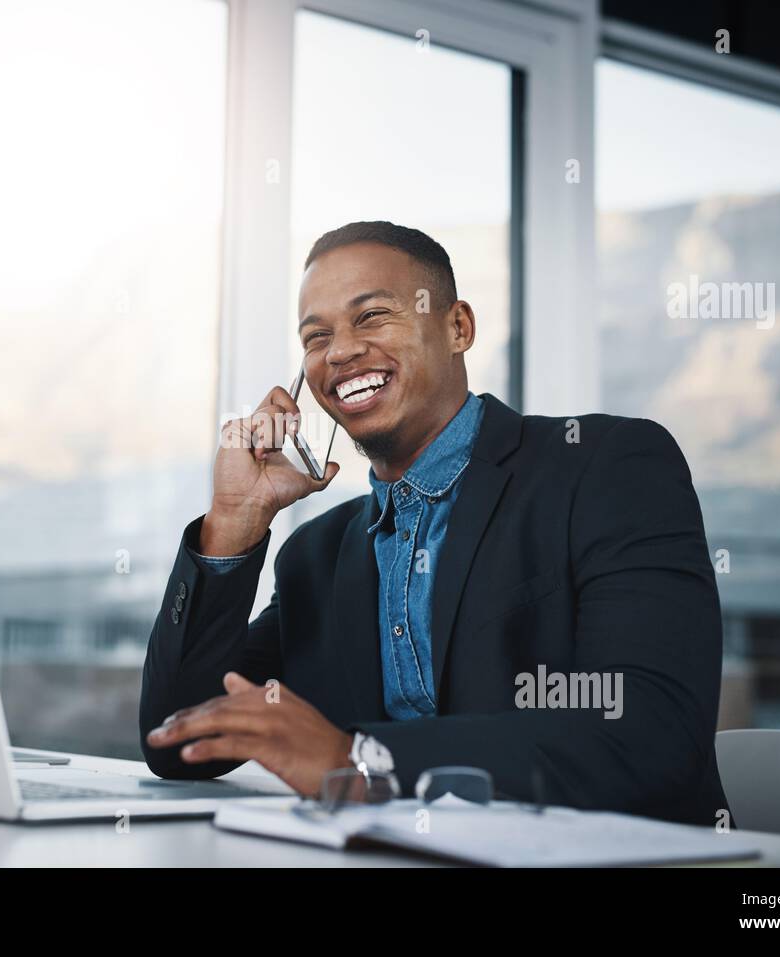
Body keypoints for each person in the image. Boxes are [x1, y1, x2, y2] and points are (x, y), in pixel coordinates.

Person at [141, 221, 729, 825]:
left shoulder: (606, 465)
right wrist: (233, 526)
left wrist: (358, 759)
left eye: (371, 317)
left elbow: (652, 732)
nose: (339, 351)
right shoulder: (316, 556)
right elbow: (180, 741)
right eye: (316, 337)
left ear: (458, 328)